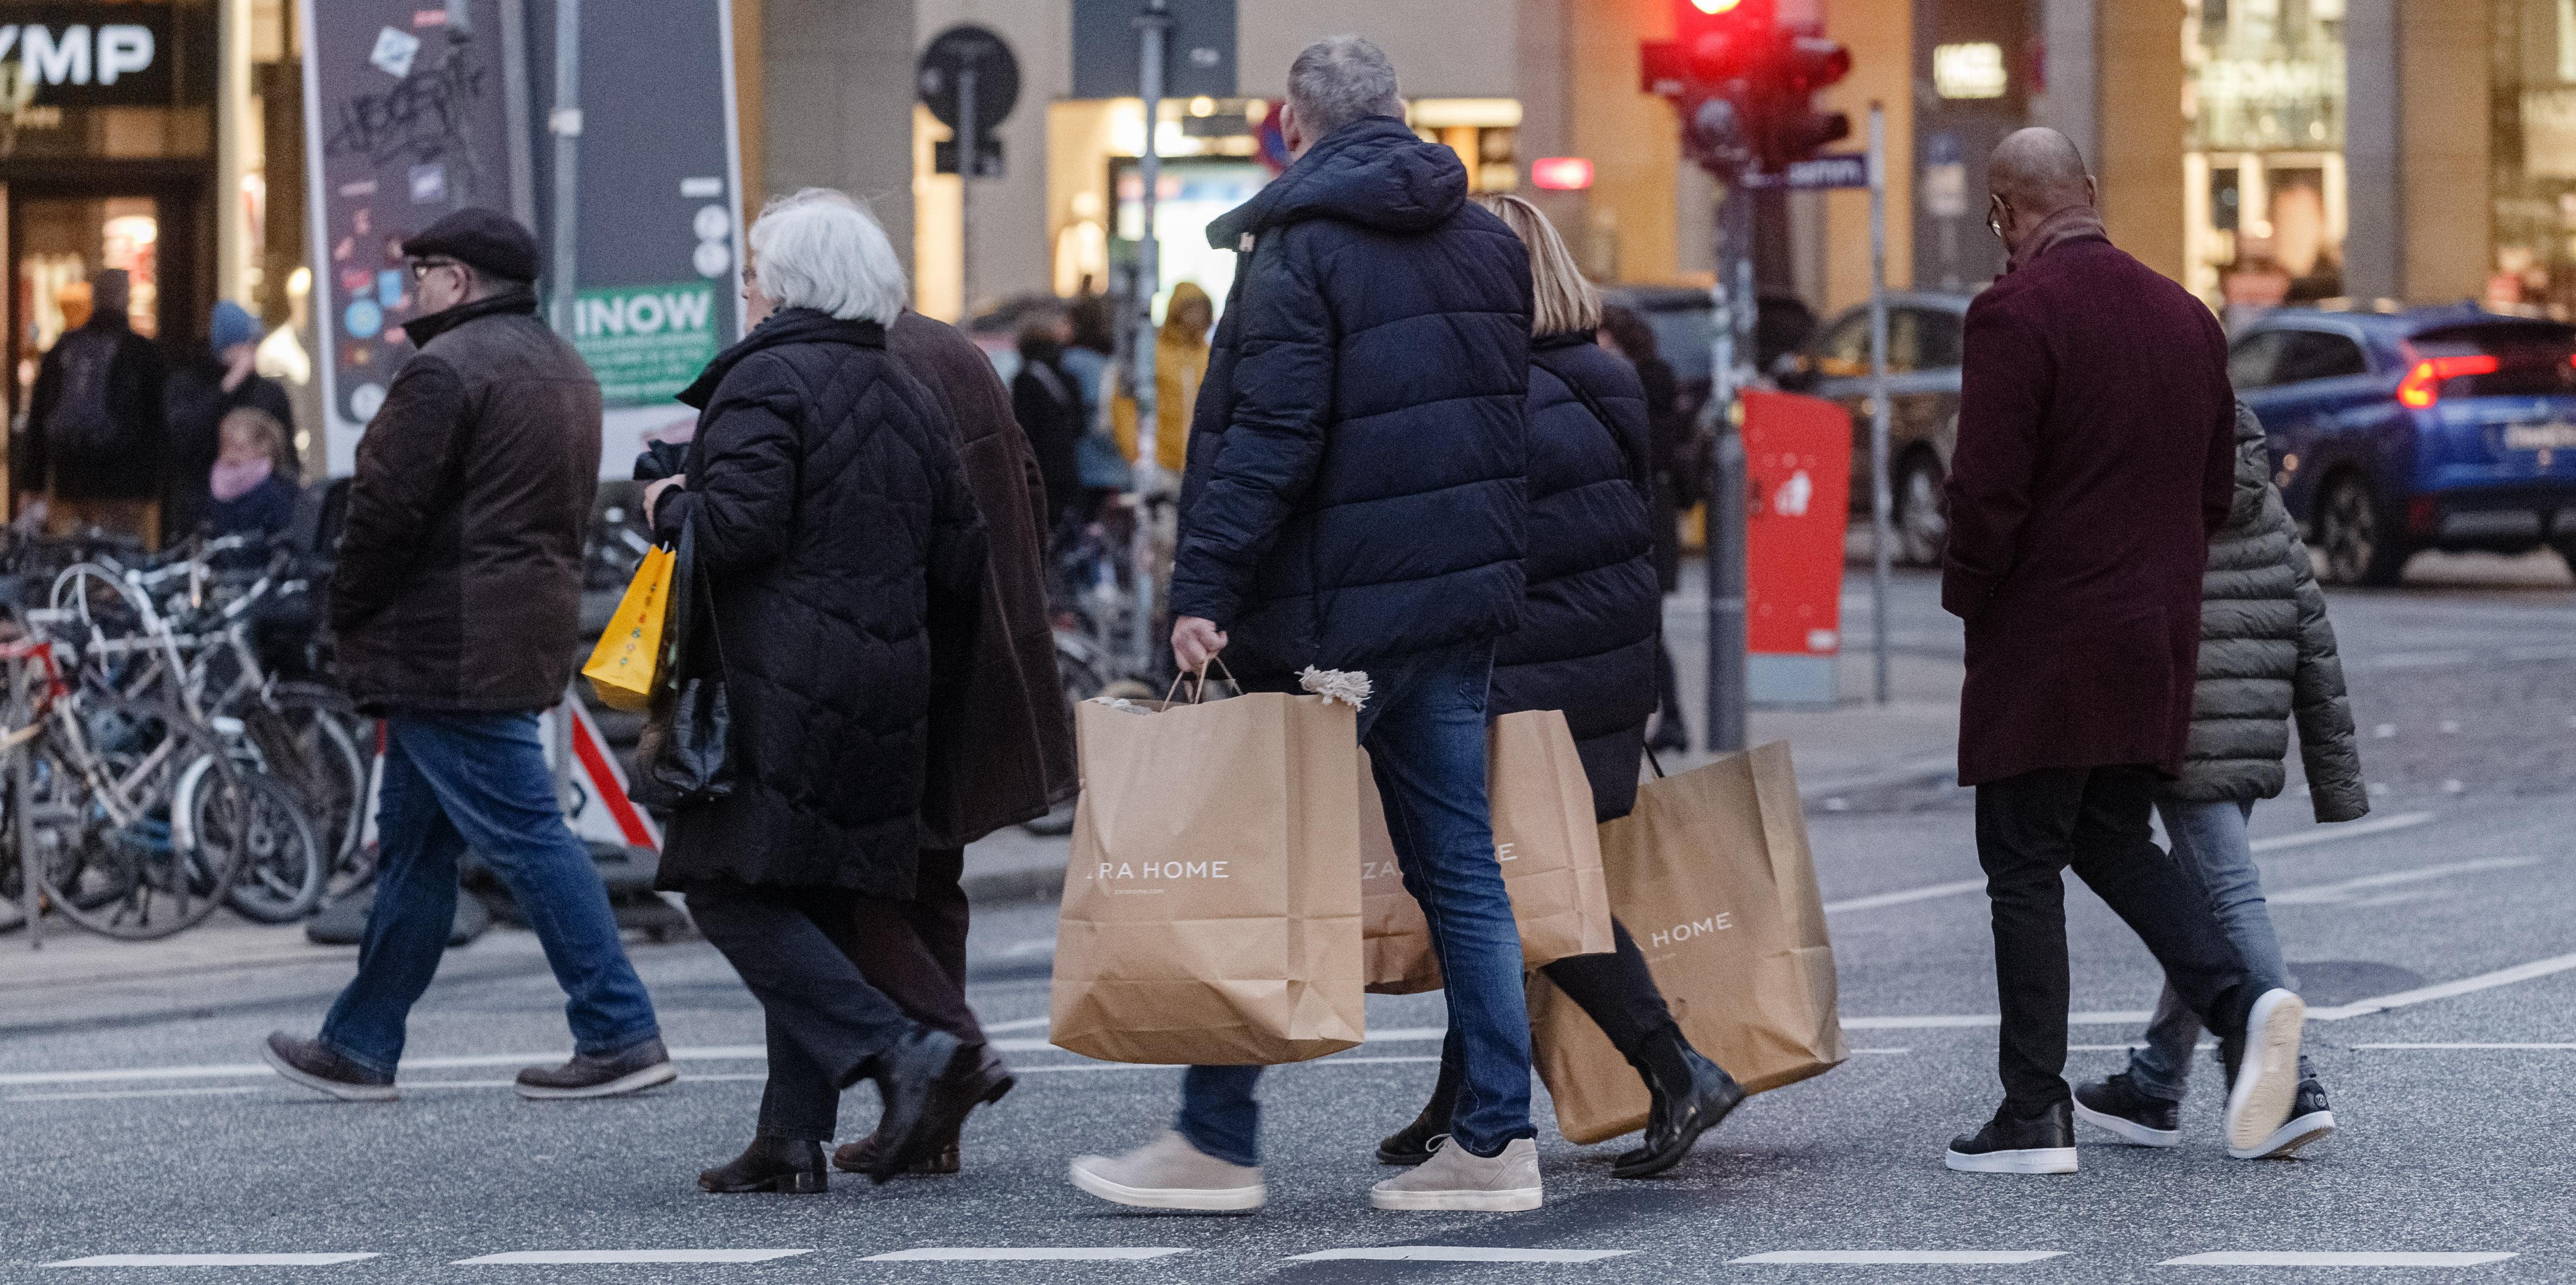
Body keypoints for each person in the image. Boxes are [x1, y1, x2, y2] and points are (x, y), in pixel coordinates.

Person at [1067, 34, 1540, 1214]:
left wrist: (1203, 592)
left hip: (1330, 611)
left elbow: (1268, 441)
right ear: (1401, 112)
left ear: (1291, 123)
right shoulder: (1484, 239)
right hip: (1454, 600)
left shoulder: (1297, 249)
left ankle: (1215, 1138)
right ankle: (1495, 1141)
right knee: (1462, 869)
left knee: (1255, 849)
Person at [1940, 128, 2306, 1175]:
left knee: (2021, 863)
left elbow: (1987, 493)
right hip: (2151, 639)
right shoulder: (2186, 317)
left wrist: (1971, 597)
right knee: (2108, 836)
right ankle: (2244, 1004)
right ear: (2091, 194)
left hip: (2044, 641)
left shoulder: (2014, 313)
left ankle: (2031, 1110)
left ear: (2007, 213)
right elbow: (2211, 491)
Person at [263, 208, 674, 1104]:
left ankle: (617, 1026)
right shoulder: (561, 365)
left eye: (421, 274)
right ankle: (361, 1040)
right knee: (414, 850)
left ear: (457, 280)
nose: (409, 292)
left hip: (443, 641)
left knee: (528, 833)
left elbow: (385, 513)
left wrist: (344, 610)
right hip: (512, 625)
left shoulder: (444, 371)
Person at [1372, 194, 1745, 1182]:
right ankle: (1464, 1095)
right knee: (1503, 878)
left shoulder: (1502, 394)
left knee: (1513, 882)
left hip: (1531, 672)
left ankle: (1676, 1065)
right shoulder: (1604, 376)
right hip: (1606, 661)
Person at [639, 190, 996, 1195]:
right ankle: (788, 1138)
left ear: (789, 283)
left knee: (725, 881)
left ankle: (896, 1047)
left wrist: (669, 502)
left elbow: (739, 527)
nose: (746, 288)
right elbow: (962, 552)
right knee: (813, 890)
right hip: (890, 673)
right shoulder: (904, 386)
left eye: (754, 271)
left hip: (781, 678)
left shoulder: (767, 380)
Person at [819, 285, 1080, 1180]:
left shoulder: (859, 361)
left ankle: (952, 1062)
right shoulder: (955, 351)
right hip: (982, 641)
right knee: (934, 877)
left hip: (898, 646)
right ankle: (932, 1119)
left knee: (850, 875)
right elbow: (1030, 483)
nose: (750, 293)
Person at [2073, 400, 2364, 1158]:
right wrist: (2337, 778)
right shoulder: (2264, 504)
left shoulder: (2155, 505)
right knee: (2201, 897)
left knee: (2228, 896)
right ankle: (2155, 1080)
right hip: (2253, 728)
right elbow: (2312, 636)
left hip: (2180, 728)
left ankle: (2292, 1085)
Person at [1597, 303, 1690, 754]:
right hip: (1657, 515)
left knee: (1648, 626)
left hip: (1647, 517)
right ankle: (1670, 717)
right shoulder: (1654, 384)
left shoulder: (1633, 386)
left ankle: (1668, 717)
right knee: (1650, 625)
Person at [19, 268, 167, 545]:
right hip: (127, 488)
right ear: (126, 299)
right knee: (118, 573)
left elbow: (38, 419)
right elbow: (158, 424)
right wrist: (158, 487)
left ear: (95, 298)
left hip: (69, 482)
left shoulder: (64, 347)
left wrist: (32, 484)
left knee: (71, 569)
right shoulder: (142, 353)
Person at [166, 300, 296, 537]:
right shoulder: (189, 385)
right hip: (206, 511)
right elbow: (184, 440)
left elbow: (287, 457)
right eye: (248, 345)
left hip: (263, 513)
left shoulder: (269, 393)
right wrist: (227, 388)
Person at [1111, 280, 1213, 476]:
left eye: (1201, 309)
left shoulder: (1210, 356)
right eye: (1189, 308)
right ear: (1176, 310)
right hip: (1159, 465)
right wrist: (1134, 451)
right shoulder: (1153, 353)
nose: (1195, 315)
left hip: (1202, 466)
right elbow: (1126, 400)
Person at [1012, 316, 1087, 535]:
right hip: (1070, 470)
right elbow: (1080, 426)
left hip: (1041, 469)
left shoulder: (1024, 380)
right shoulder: (1068, 378)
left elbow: (1023, 430)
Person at [205, 407, 298, 540]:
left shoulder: (279, 491)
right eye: (224, 448)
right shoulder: (216, 488)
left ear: (263, 448)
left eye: (238, 448)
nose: (230, 456)